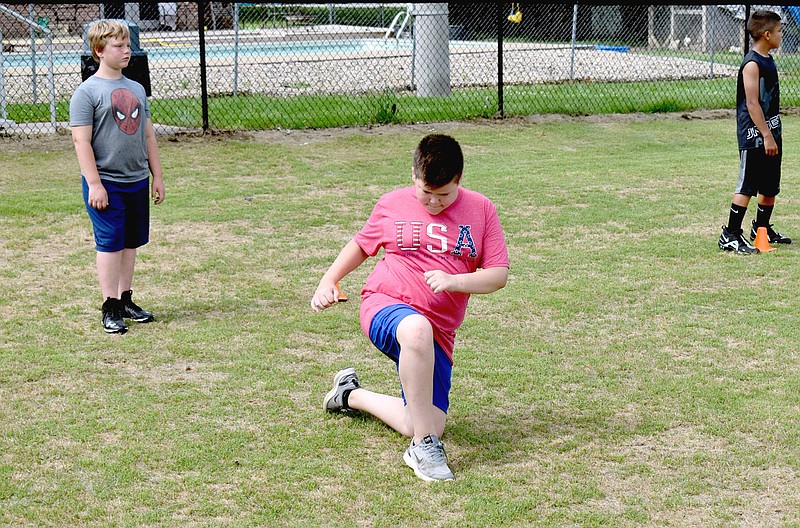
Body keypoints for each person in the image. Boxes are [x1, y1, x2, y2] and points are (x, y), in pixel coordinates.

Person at [312, 134, 509, 482]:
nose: (433, 203)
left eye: (443, 194)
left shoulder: (481, 209)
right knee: (416, 330)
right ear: (413, 176)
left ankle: (350, 395)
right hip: (386, 305)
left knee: (424, 419)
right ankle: (422, 449)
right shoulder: (392, 203)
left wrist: (454, 281)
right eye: (425, 193)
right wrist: (329, 280)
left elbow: (497, 275)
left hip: (440, 331)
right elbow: (361, 245)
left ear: (459, 181)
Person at [69, 19, 165, 334]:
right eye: (119, 46)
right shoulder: (87, 92)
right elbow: (81, 141)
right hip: (106, 183)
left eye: (128, 45)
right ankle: (109, 306)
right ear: (99, 51)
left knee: (129, 243)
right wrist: (94, 184)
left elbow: (148, 136)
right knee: (110, 244)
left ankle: (125, 299)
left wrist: (157, 177)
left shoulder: (136, 88)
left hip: (136, 179)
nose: (127, 51)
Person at [719, 9, 791, 254]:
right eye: (780, 31)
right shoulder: (752, 63)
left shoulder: (769, 59)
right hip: (755, 135)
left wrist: (774, 133)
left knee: (770, 186)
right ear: (767, 34)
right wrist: (766, 135)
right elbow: (752, 104)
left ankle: (762, 229)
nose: (782, 35)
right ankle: (729, 235)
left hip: (771, 131)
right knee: (747, 186)